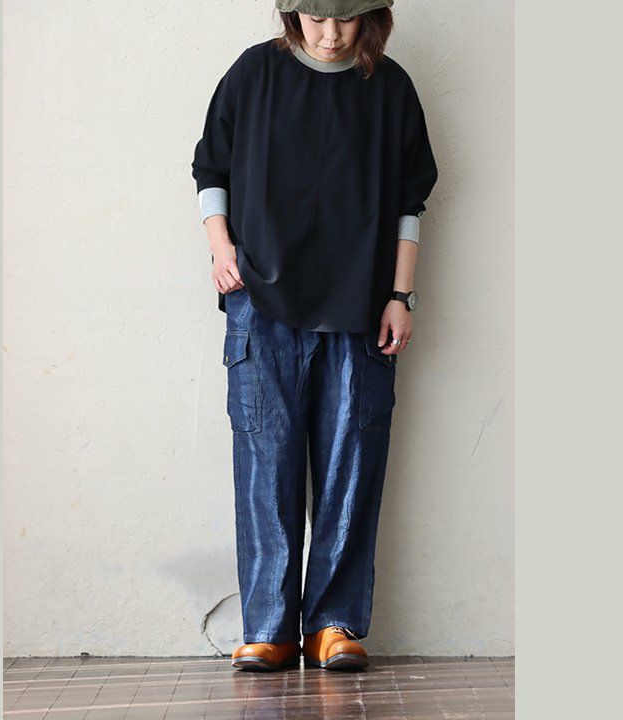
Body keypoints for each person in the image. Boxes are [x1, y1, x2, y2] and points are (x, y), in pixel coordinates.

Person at [191, 0, 438, 672]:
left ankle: (333, 624)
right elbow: (211, 169)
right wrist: (221, 249)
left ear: (372, 18)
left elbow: (410, 201)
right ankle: (268, 627)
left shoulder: (389, 88)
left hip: (362, 307)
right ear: (291, 14)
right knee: (264, 466)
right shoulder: (253, 75)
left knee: (352, 464)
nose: (330, 34)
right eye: (316, 18)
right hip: (260, 302)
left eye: (346, 19)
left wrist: (400, 296)